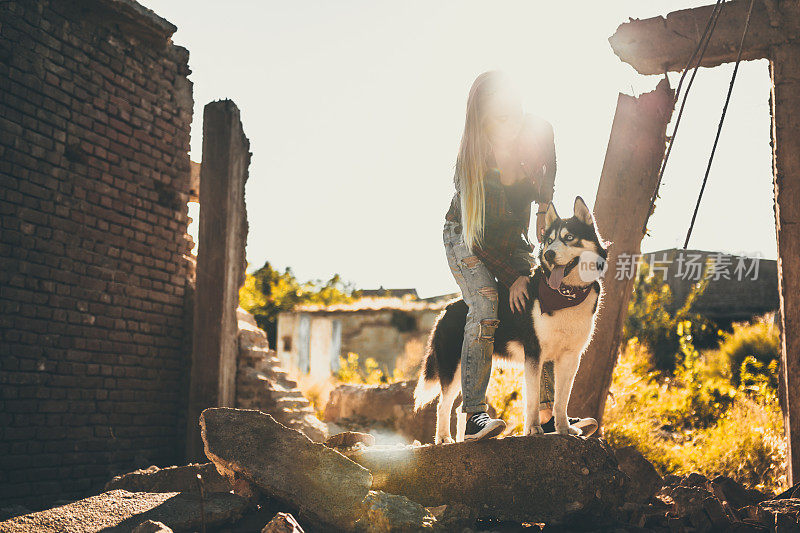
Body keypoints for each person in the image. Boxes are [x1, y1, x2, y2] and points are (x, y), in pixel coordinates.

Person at [442, 70, 598, 441]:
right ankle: (474, 417)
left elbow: (549, 158)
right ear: (481, 120)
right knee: (485, 304)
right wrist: (512, 277)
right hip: (465, 236)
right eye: (498, 116)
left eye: (514, 110)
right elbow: (477, 237)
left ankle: (546, 415)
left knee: (539, 302)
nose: (510, 121)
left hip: (511, 240)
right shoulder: (473, 164)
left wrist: (545, 205)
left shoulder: (534, 134)